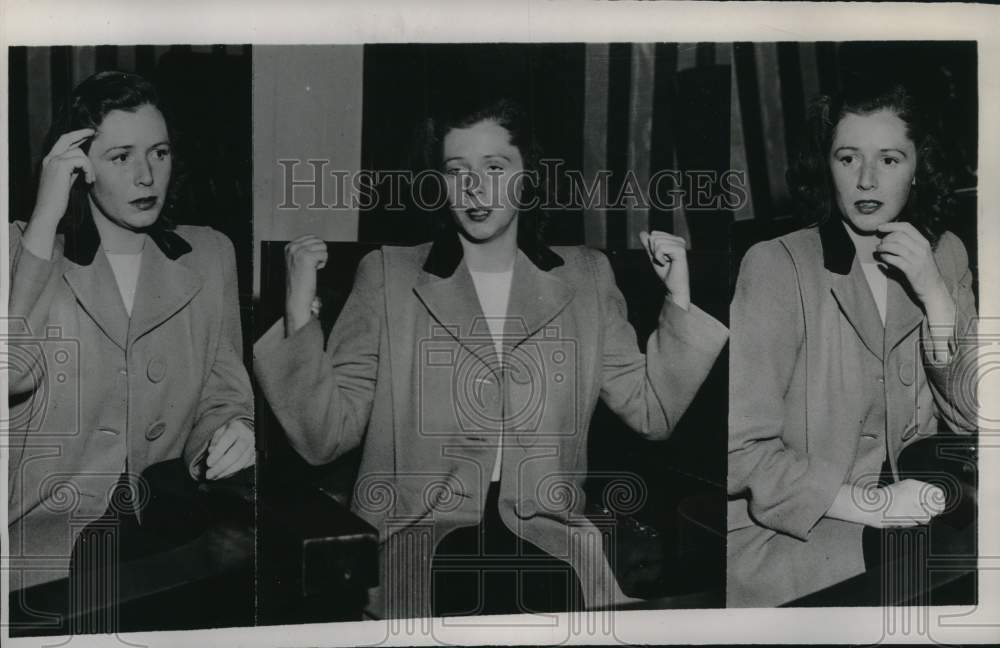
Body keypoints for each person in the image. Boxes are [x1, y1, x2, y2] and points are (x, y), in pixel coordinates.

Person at [254, 98, 727, 619]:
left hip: (548, 537)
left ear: (529, 177)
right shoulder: (388, 276)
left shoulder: (587, 278)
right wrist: (299, 309)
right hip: (421, 540)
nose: (475, 189)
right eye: (457, 172)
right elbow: (323, 437)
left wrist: (678, 296)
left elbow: (652, 412)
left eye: (495, 168)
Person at [726, 80, 978, 607]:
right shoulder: (776, 265)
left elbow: (978, 423)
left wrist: (935, 296)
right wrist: (875, 506)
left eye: (889, 160)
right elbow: (740, 451)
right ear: (827, 166)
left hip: (923, 514)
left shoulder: (946, 254)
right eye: (848, 158)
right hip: (803, 534)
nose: (867, 179)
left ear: (918, 167)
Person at [7, 71, 255, 594]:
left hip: (167, 541)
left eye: (159, 154)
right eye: (121, 157)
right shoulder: (21, 253)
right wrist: (46, 217)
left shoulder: (210, 255)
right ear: (79, 167)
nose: (146, 177)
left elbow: (222, 393)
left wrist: (231, 433)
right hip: (37, 552)